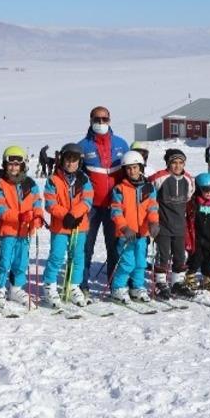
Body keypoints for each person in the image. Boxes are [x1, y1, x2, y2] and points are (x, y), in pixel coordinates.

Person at [75, 106, 130, 289]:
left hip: (114, 206)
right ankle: (81, 285)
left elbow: (129, 175)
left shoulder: (121, 144)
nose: (101, 123)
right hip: (90, 207)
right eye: (97, 119)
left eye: (104, 119)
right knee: (85, 248)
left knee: (114, 247)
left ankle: (116, 285)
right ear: (90, 120)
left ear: (109, 120)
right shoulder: (82, 146)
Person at [0, 145, 43, 309]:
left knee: (21, 261)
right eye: (10, 164)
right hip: (9, 231)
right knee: (5, 260)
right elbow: (0, 209)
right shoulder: (0, 185)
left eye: (16, 164)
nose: (13, 167)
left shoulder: (31, 184)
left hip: (25, 231)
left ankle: (16, 288)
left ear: (23, 164)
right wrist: (19, 217)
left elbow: (37, 204)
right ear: (5, 165)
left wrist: (36, 220)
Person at [41, 143, 94, 306]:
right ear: (62, 160)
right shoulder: (53, 180)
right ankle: (49, 285)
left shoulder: (84, 180)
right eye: (68, 160)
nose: (71, 163)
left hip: (79, 226)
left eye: (74, 160)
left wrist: (75, 214)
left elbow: (87, 200)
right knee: (57, 256)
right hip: (60, 226)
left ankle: (73, 285)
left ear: (80, 162)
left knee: (77, 257)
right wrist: (66, 215)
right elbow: (50, 203)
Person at [109, 151, 160, 303]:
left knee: (140, 262)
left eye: (135, 167)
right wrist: (124, 227)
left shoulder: (149, 188)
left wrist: (154, 223)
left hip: (142, 234)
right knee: (127, 262)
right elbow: (116, 211)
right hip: (126, 234)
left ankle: (137, 287)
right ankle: (118, 288)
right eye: (129, 168)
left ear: (140, 167)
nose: (132, 171)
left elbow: (152, 208)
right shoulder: (120, 189)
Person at [148, 148, 194, 298]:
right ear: (168, 163)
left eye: (181, 163)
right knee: (163, 255)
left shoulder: (188, 179)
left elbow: (188, 197)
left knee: (180, 256)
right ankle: (160, 283)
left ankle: (177, 283)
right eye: (174, 162)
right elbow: (148, 192)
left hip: (180, 225)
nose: (177, 166)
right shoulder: (159, 177)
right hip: (163, 225)